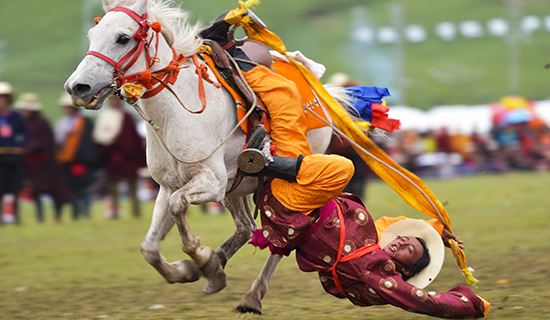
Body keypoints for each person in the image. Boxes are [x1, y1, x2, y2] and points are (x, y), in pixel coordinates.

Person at [250, 186, 490, 318]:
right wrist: (436, 229)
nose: (402, 242)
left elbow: (425, 302)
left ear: (404, 269)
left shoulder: (379, 271)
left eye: (409, 250)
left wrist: (471, 303)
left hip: (299, 217)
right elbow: (393, 225)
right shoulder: (374, 238)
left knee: (343, 167)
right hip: (315, 197)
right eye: (405, 239)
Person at [16, 93, 70, 223]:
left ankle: (57, 216)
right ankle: (40, 218)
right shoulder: (25, 124)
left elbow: (43, 143)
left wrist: (27, 149)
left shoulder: (41, 123)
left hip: (46, 164)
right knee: (37, 192)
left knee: (55, 191)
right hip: (33, 165)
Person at [93, 96, 145, 219]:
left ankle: (136, 212)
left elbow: (133, 138)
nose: (115, 102)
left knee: (132, 186)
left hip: (128, 157)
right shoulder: (105, 117)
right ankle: (114, 211)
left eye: (117, 100)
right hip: (113, 156)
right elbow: (100, 136)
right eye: (112, 100)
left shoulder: (127, 116)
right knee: (112, 186)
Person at [56, 93, 100, 220]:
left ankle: (85, 213)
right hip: (67, 162)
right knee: (71, 189)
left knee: (84, 188)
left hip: (82, 162)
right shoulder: (62, 122)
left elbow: (88, 143)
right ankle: (75, 214)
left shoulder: (85, 122)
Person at [0, 81, 26, 225]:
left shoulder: (16, 117)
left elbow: (23, 135)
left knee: (14, 188)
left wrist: (16, 143)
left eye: (3, 97)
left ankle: (15, 217)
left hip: (14, 157)